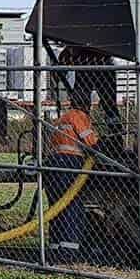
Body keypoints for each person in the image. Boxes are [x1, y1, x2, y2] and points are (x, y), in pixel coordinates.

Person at [45, 91, 99, 259]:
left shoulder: (61, 118)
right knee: (72, 205)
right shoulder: (78, 116)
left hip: (53, 163)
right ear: (86, 106)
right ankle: (69, 251)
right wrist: (102, 147)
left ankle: (55, 247)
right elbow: (90, 142)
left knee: (56, 206)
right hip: (70, 162)